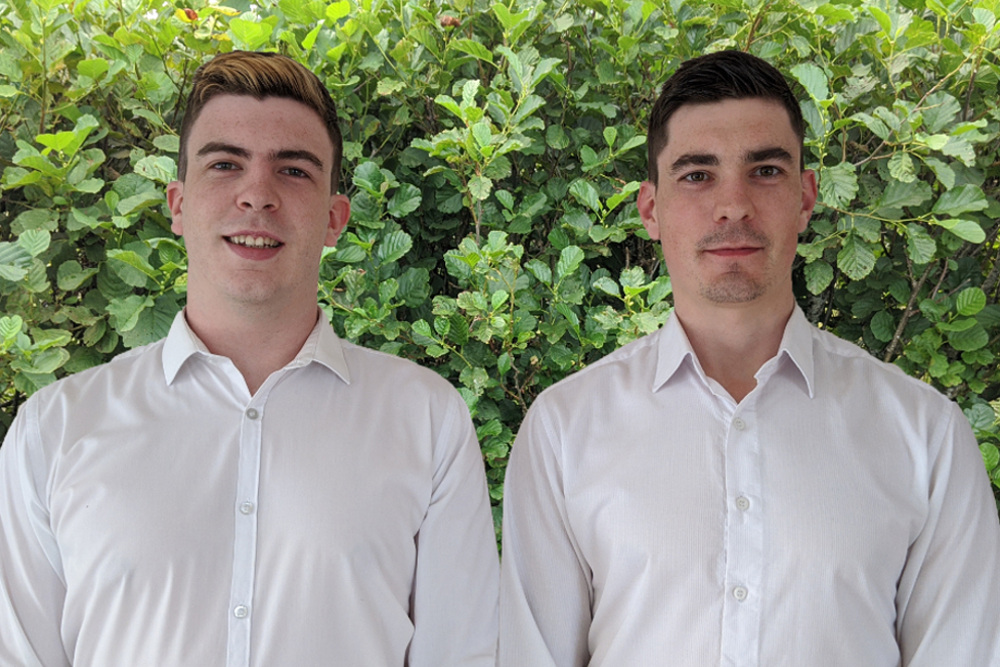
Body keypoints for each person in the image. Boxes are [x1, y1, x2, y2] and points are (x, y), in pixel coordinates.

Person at [498, 50, 1000, 666]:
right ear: (650, 209)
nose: (732, 205)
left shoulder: (926, 435)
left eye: (764, 170)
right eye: (697, 174)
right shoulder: (563, 431)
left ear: (806, 197)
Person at [0, 51, 498, 666]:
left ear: (335, 219)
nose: (256, 195)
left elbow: (462, 654)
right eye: (225, 164)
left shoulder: (426, 420)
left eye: (293, 171)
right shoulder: (56, 429)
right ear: (178, 205)